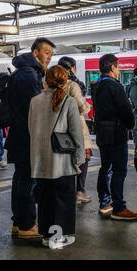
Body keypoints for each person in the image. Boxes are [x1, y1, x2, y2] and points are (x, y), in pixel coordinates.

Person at [29, 65, 85, 248]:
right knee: (63, 200)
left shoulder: (34, 101)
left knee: (45, 201)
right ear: (65, 80)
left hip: (40, 161)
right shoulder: (68, 101)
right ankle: (58, 239)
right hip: (62, 161)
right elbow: (76, 133)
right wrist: (80, 156)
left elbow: (31, 129)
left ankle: (46, 236)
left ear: (46, 79)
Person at [6, 37, 55, 239]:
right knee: (28, 181)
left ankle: (19, 223)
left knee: (21, 179)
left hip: (19, 135)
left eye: (51, 54)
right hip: (26, 136)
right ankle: (27, 225)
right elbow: (36, 107)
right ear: (35, 53)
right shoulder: (28, 75)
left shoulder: (24, 72)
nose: (49, 58)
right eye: (46, 53)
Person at [92, 54, 137, 220]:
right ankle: (119, 207)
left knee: (106, 167)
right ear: (112, 67)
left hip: (102, 132)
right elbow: (125, 109)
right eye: (118, 67)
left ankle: (105, 203)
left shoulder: (96, 85)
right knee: (119, 170)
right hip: (117, 132)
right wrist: (130, 125)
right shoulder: (115, 85)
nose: (119, 71)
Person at [58, 56, 93, 204]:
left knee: (63, 160)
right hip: (76, 126)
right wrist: (88, 107)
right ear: (72, 68)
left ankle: (66, 193)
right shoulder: (73, 84)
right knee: (83, 158)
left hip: (58, 127)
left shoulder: (49, 82)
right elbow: (81, 107)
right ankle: (79, 191)